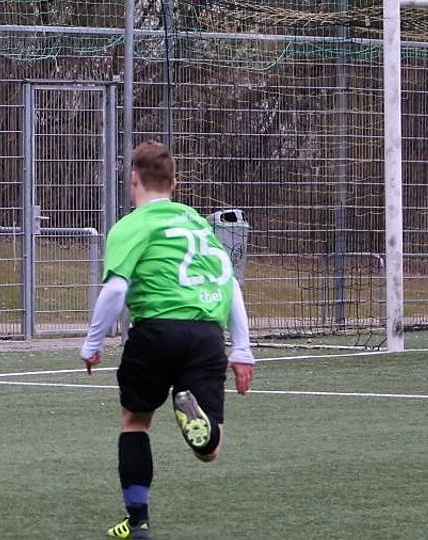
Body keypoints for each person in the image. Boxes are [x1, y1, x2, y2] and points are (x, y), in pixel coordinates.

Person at [79, 141, 255, 539]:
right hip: (207, 335)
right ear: (174, 184)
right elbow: (229, 283)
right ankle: (203, 431)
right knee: (209, 452)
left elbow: (116, 290)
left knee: (134, 422)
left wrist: (93, 343)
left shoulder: (132, 225)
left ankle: (138, 522)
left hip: (156, 332)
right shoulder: (197, 224)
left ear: (133, 179)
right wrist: (242, 349)